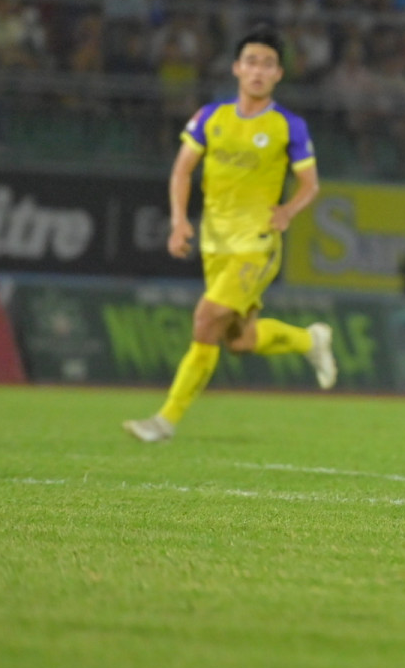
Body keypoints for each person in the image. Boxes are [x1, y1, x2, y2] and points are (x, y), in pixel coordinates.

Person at [125, 28, 337, 442]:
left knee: (205, 320)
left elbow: (310, 184)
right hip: (214, 242)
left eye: (268, 64)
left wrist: (288, 211)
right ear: (237, 68)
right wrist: (179, 221)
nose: (259, 70)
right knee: (240, 341)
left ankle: (164, 421)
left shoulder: (287, 126)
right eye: (252, 61)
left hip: (256, 244)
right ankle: (309, 339)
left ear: (278, 74)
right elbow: (183, 169)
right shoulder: (210, 117)